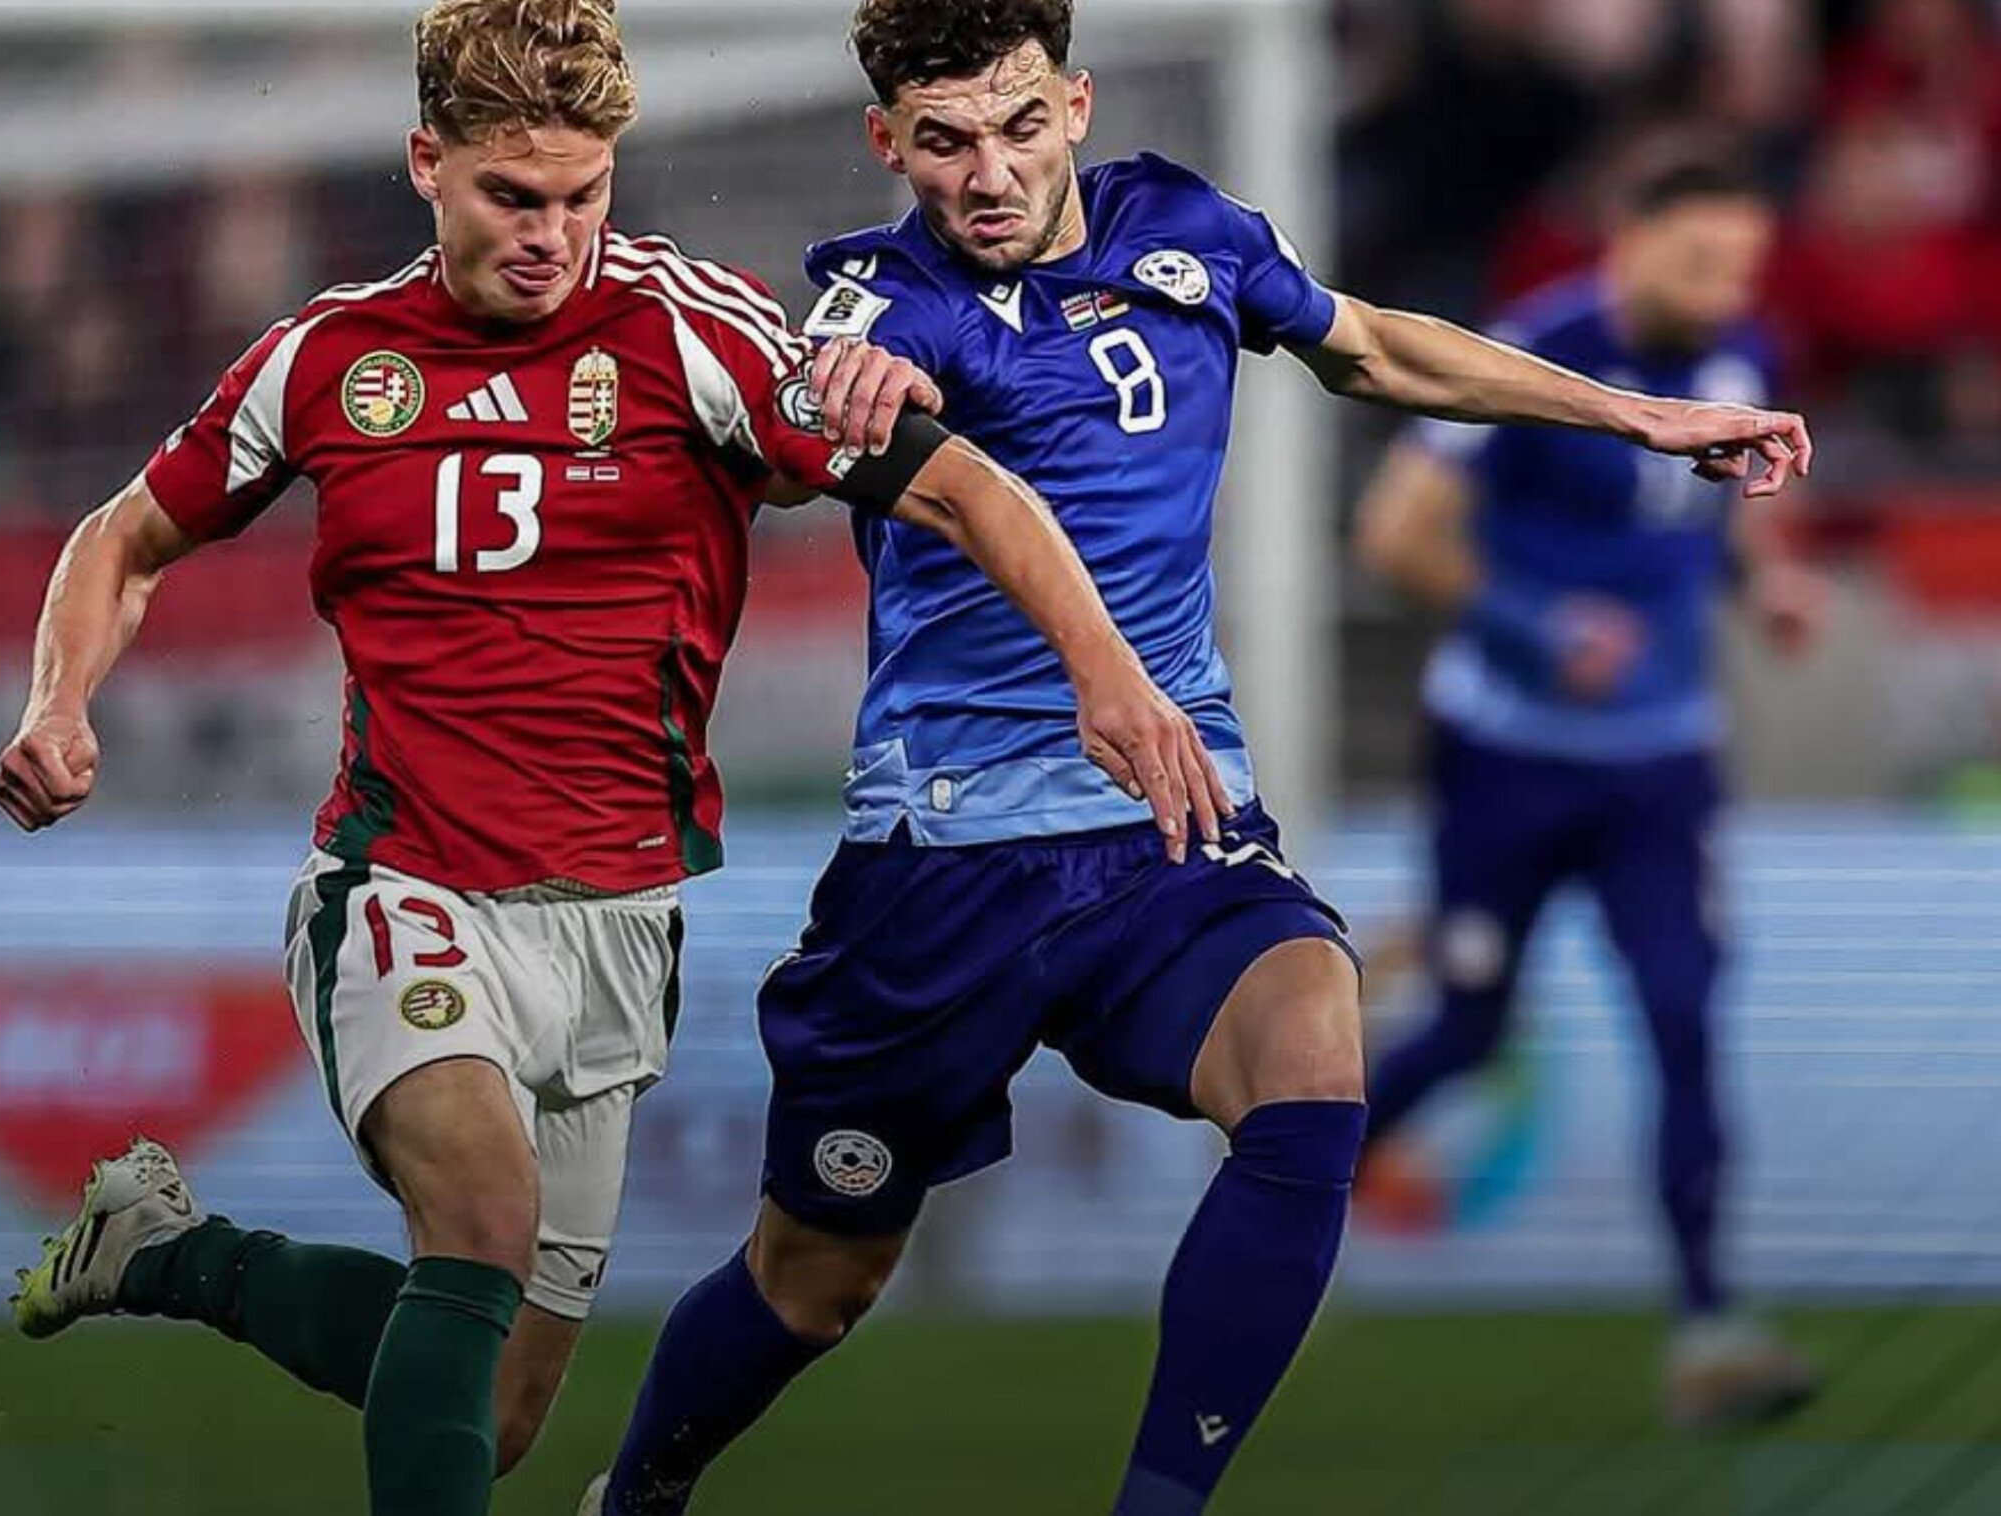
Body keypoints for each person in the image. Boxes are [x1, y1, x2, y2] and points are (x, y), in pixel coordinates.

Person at [580, 3, 1814, 1511]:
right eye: (946, 141)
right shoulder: (882, 304)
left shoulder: (1187, 227)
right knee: (814, 1282)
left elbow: (1370, 346)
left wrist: (1637, 416)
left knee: (1313, 1053)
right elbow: (833, 421)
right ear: (886, 142)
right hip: (947, 859)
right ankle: (634, 1496)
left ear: (1077, 105)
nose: (988, 174)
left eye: (1018, 127)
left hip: (1169, 822)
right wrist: (851, 393)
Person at [0, 4, 1209, 1514]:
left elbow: (971, 492)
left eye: (583, 196)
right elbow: (125, 538)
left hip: (617, 921)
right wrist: (60, 702)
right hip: (403, 886)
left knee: (490, 1403)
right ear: (427, 163)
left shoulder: (697, 334)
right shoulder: (327, 360)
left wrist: (1109, 676)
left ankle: (169, 1254)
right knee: (482, 1223)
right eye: (513, 197)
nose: (552, 236)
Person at [1347, 156, 1826, 1433]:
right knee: (1467, 1028)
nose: (1725, 287)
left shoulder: (1740, 356)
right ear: (1629, 237)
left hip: (1661, 765)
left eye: (1742, 264)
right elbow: (1394, 532)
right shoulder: (1527, 358)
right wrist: (1533, 626)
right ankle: (1287, 1186)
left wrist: (1766, 582)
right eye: (1701, 259)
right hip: (1506, 758)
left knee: (1682, 1017)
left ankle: (1710, 1330)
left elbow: (1726, 508)